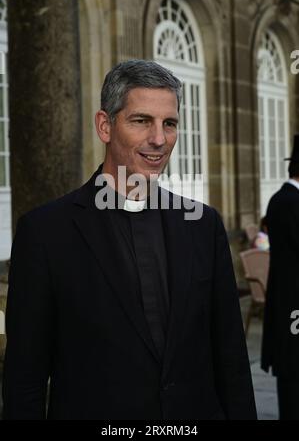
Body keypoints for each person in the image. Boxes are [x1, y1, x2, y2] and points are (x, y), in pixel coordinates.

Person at [2, 60, 256, 420]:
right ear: (105, 126)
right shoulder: (45, 233)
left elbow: (231, 359)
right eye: (141, 121)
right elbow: (24, 380)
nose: (158, 139)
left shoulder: (204, 225)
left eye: (169, 123)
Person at [261, 134, 299, 420]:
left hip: (286, 297)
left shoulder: (281, 199)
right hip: (292, 301)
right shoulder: (290, 202)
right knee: (292, 375)